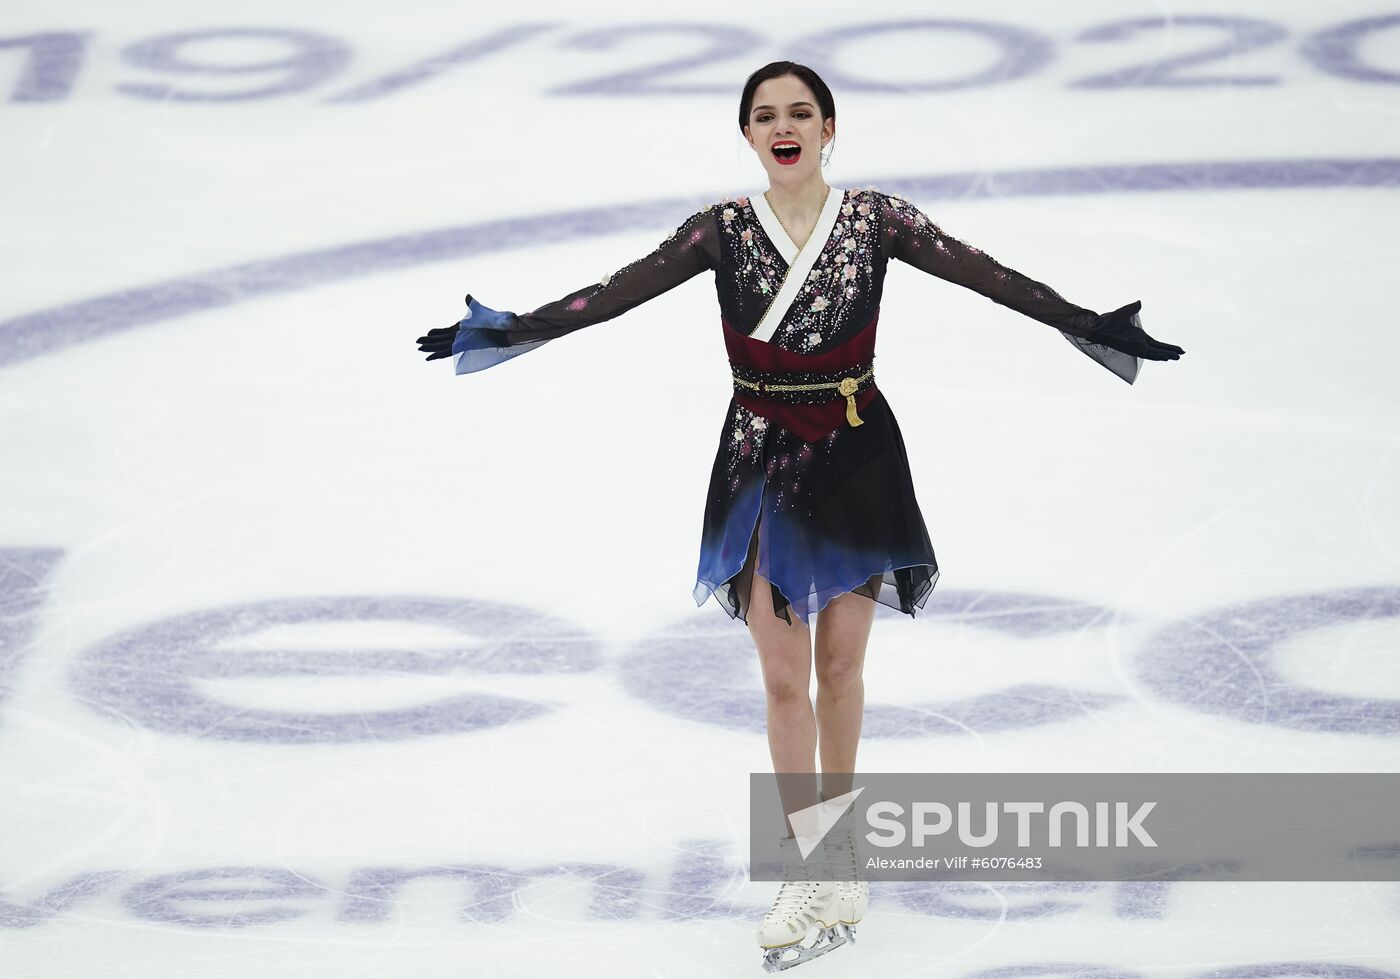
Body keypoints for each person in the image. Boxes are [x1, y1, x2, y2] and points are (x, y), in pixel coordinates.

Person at [416, 61, 1184, 972]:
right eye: (766, 116)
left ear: (829, 127)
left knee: (841, 665)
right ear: (747, 135)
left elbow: (989, 277)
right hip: (760, 458)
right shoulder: (720, 231)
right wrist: (511, 328)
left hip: (855, 454)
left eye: (802, 113)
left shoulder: (875, 220)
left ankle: (841, 854)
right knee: (784, 678)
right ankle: (809, 861)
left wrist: (1092, 322)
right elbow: (613, 293)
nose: (785, 128)